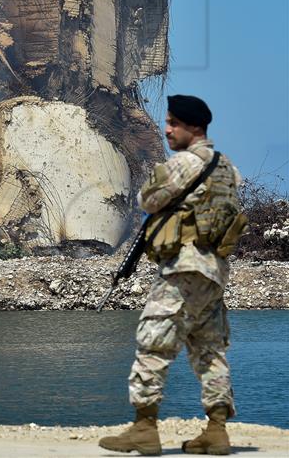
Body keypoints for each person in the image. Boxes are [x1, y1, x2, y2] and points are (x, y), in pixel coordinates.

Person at [99, 95, 245, 456]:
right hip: (213, 273)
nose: (166, 130)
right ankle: (217, 431)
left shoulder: (184, 163)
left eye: (173, 124)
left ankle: (144, 429)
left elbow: (148, 201)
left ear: (194, 128)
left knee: (153, 341)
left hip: (182, 268)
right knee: (210, 350)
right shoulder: (227, 168)